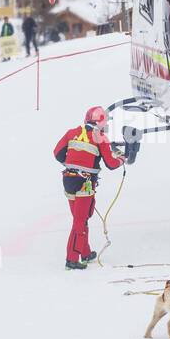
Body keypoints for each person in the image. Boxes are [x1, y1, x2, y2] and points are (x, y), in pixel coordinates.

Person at [53, 106, 124, 269]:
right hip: (84, 183)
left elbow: (57, 153)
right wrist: (121, 160)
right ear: (101, 123)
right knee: (80, 220)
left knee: (81, 218)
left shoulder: (72, 132)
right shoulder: (101, 137)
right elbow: (111, 164)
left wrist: (72, 164)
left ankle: (85, 253)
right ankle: (71, 259)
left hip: (68, 180)